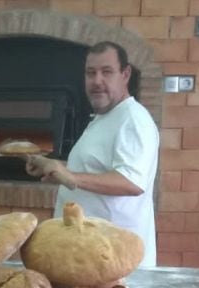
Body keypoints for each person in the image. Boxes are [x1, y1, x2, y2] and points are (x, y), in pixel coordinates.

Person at [25, 41, 160, 267]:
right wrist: (55, 166)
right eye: (91, 73)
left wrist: (73, 178)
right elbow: (94, 167)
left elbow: (132, 182)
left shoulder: (132, 119)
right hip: (92, 258)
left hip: (116, 264)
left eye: (107, 72)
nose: (97, 81)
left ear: (125, 74)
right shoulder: (106, 117)